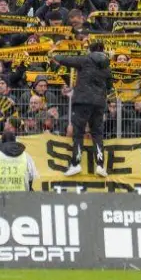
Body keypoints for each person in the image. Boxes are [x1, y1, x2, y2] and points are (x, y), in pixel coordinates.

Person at [50, 39, 113, 177]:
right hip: (99, 103)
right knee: (97, 134)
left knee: (78, 133)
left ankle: (75, 164)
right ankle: (101, 166)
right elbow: (109, 87)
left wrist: (53, 54)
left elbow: (66, 60)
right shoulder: (107, 66)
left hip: (83, 101)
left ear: (90, 50)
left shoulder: (85, 60)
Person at [0, 125, 38, 192]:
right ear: (15, 141)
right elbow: (31, 175)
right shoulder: (25, 155)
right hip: (21, 196)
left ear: (1, 141)